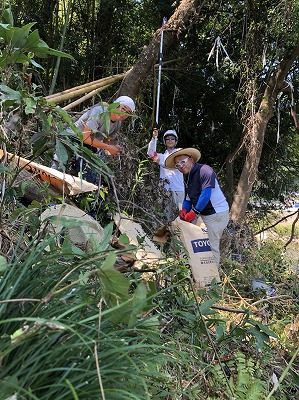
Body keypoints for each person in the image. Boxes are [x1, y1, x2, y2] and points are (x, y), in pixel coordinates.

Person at [165, 148, 229, 266]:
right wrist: (184, 210)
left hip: (216, 214)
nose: (180, 166)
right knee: (185, 233)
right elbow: (188, 198)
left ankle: (212, 280)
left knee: (210, 246)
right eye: (177, 164)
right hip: (202, 212)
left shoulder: (205, 170)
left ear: (191, 159)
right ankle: (192, 267)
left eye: (182, 161)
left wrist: (193, 212)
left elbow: (206, 195)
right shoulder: (188, 176)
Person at [52, 95, 135, 184]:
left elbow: (108, 140)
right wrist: (108, 147)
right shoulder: (99, 112)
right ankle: (52, 176)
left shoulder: (118, 124)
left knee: (90, 174)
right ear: (115, 105)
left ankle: (84, 190)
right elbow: (87, 138)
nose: (124, 114)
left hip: (89, 145)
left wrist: (114, 147)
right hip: (72, 137)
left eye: (128, 112)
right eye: (123, 108)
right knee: (60, 163)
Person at [147, 128, 184, 221]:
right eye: (168, 138)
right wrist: (154, 138)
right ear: (164, 141)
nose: (170, 140)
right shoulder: (162, 156)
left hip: (178, 190)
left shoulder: (180, 152)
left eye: (172, 138)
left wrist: (161, 163)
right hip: (165, 191)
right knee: (165, 218)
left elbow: (177, 166)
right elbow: (150, 153)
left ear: (176, 141)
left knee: (180, 218)